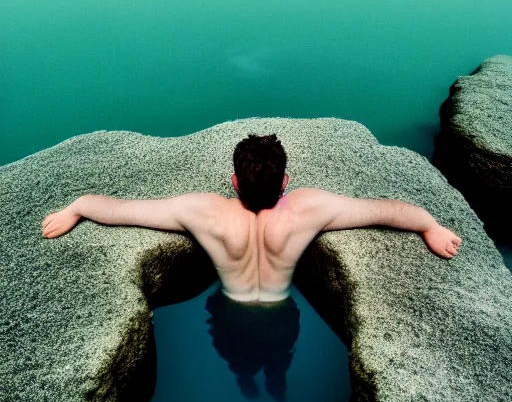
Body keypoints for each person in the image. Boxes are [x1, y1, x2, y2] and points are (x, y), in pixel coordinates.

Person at [41, 133, 462, 303]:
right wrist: (430, 224)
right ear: (286, 181)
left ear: (235, 182)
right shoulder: (308, 208)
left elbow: (121, 212)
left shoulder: (203, 211)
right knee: (280, 359)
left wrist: (76, 207)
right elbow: (384, 211)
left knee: (235, 358)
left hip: (229, 308)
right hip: (282, 309)